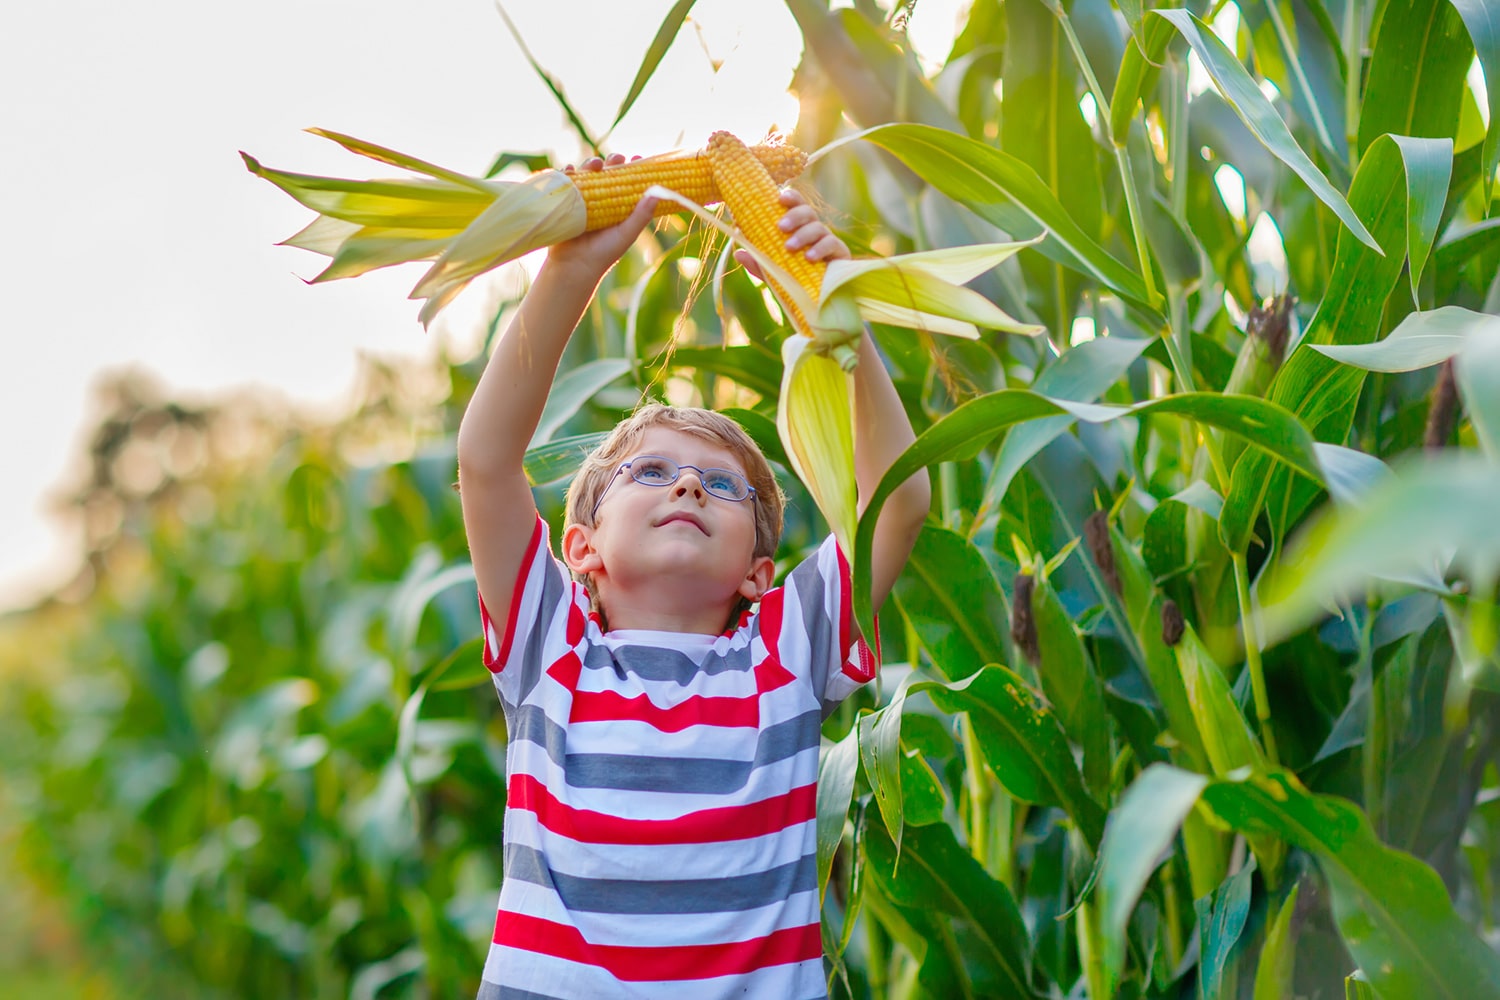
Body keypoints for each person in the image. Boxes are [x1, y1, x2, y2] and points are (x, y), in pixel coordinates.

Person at [456, 153, 931, 999]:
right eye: (649, 473)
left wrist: (843, 324)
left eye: (722, 486)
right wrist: (572, 270)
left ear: (758, 572)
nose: (686, 485)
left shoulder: (783, 652)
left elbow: (898, 501)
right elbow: (488, 463)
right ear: (583, 551)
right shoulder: (550, 646)